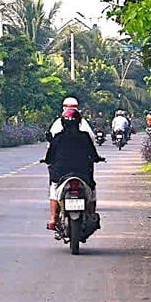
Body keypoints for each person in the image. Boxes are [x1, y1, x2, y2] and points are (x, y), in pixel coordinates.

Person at [42, 98, 105, 229]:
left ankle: (53, 218)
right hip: (83, 172)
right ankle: (92, 214)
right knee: (92, 190)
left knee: (54, 189)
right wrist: (97, 158)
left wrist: (48, 160)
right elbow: (93, 152)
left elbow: (50, 152)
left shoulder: (58, 135)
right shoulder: (85, 135)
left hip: (61, 173)